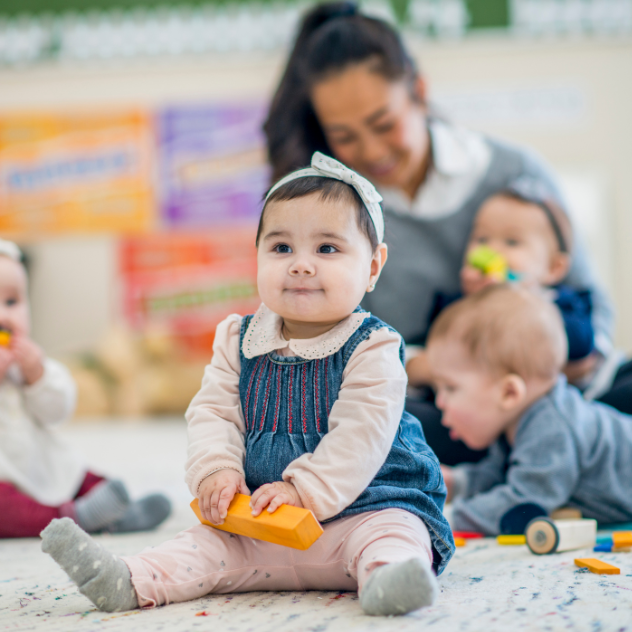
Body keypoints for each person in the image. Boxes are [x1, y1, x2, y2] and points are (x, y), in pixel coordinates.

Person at [40, 153, 453, 617]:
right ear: (255, 255)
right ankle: (132, 579)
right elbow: (213, 412)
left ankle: (388, 579)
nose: (300, 265)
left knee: (396, 534)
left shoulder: (373, 345)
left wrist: (306, 491)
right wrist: (216, 469)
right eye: (281, 248)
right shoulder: (238, 338)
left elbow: (363, 433)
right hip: (260, 523)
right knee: (202, 544)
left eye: (327, 249)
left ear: (373, 265)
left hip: (363, 512)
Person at [263, 1, 618, 464]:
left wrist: (563, 348)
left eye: (383, 124)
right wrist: (431, 367)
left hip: (544, 394)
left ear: (420, 92)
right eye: (345, 136)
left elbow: (592, 310)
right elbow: (335, 347)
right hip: (429, 402)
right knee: (355, 424)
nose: (371, 150)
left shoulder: (515, 173)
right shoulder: (333, 211)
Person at [0, 237, 171, 538]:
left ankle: (118, 511)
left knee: (79, 474)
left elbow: (58, 411)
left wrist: (37, 376)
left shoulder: (23, 360)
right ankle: (71, 518)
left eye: (11, 301)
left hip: (35, 471)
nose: (0, 316)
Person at [410, 178, 631, 415]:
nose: (492, 251)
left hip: (593, 393)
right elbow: (429, 343)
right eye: (481, 239)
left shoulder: (560, 301)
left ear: (553, 268)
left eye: (512, 242)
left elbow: (580, 345)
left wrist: (523, 300)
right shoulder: (457, 305)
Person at [427, 285, 632, 535]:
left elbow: (524, 500)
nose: (439, 402)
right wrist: (458, 483)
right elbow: (500, 475)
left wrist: (449, 518)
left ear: (509, 393)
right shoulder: (517, 421)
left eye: (450, 388)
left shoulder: (553, 426)